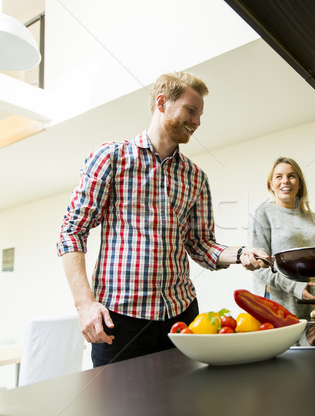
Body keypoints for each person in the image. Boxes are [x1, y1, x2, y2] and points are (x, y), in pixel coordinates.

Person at [57, 71, 269, 367]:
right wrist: (84, 304)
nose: (197, 122)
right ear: (162, 103)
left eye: (200, 114)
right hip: (121, 320)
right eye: (190, 110)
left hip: (182, 317)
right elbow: (72, 232)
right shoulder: (112, 158)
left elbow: (201, 244)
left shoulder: (195, 177)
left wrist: (241, 253)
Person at [248, 157, 315, 320]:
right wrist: (296, 287)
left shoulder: (312, 218)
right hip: (276, 305)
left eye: (291, 176)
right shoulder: (262, 212)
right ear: (270, 184)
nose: (285, 181)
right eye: (279, 176)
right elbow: (260, 266)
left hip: (310, 303)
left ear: (300, 183)